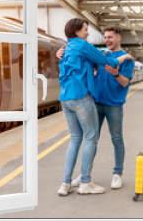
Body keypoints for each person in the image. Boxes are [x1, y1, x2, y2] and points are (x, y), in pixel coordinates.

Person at [57, 18, 134, 197]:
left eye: (110, 37)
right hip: (92, 101)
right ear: (77, 31)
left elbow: (124, 83)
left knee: (114, 139)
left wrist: (117, 70)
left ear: (119, 38)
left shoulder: (75, 46)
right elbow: (95, 63)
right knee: (90, 139)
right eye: (105, 37)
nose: (106, 40)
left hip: (113, 104)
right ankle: (85, 179)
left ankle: (116, 173)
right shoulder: (100, 53)